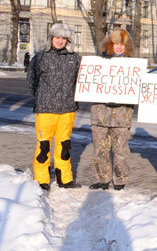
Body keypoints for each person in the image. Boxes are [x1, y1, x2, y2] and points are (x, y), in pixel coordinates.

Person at [27, 22, 82, 190]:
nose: (60, 41)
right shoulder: (40, 57)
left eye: (63, 38)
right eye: (57, 37)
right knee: (43, 146)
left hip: (67, 110)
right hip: (45, 110)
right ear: (51, 38)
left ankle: (64, 178)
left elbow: (81, 82)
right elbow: (31, 82)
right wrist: (42, 97)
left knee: (64, 145)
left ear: (68, 41)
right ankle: (42, 179)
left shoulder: (75, 58)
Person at [89, 29, 135, 191]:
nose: (119, 48)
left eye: (122, 45)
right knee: (100, 150)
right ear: (110, 45)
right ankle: (102, 179)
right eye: (116, 44)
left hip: (122, 116)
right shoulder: (99, 63)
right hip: (100, 114)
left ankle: (120, 181)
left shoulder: (132, 66)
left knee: (121, 151)